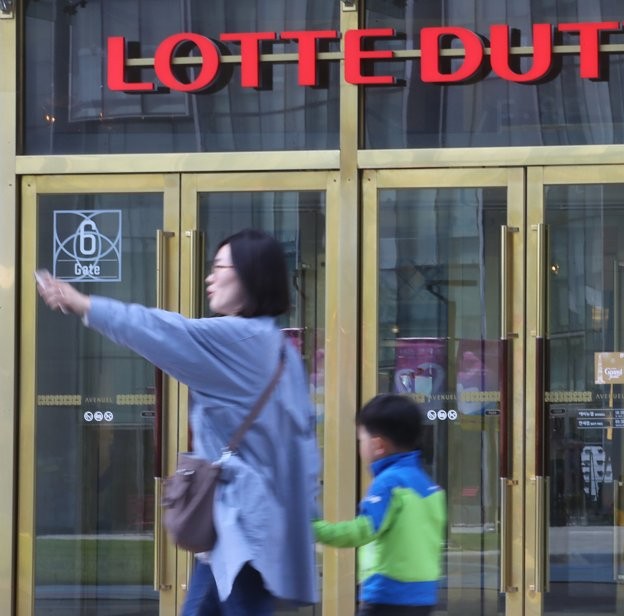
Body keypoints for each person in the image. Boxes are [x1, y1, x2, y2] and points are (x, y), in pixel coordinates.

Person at [36, 229, 321, 615]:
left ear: (251, 276)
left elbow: (162, 330)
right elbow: (303, 449)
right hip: (248, 532)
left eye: (220, 267)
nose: (209, 277)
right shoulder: (280, 350)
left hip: (244, 532)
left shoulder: (239, 340)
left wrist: (82, 303)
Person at [313, 394, 445, 616]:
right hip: (424, 597)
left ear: (377, 445)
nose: (360, 446)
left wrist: (316, 529)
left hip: (387, 596)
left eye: (361, 439)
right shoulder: (429, 486)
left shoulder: (388, 483)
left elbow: (362, 530)